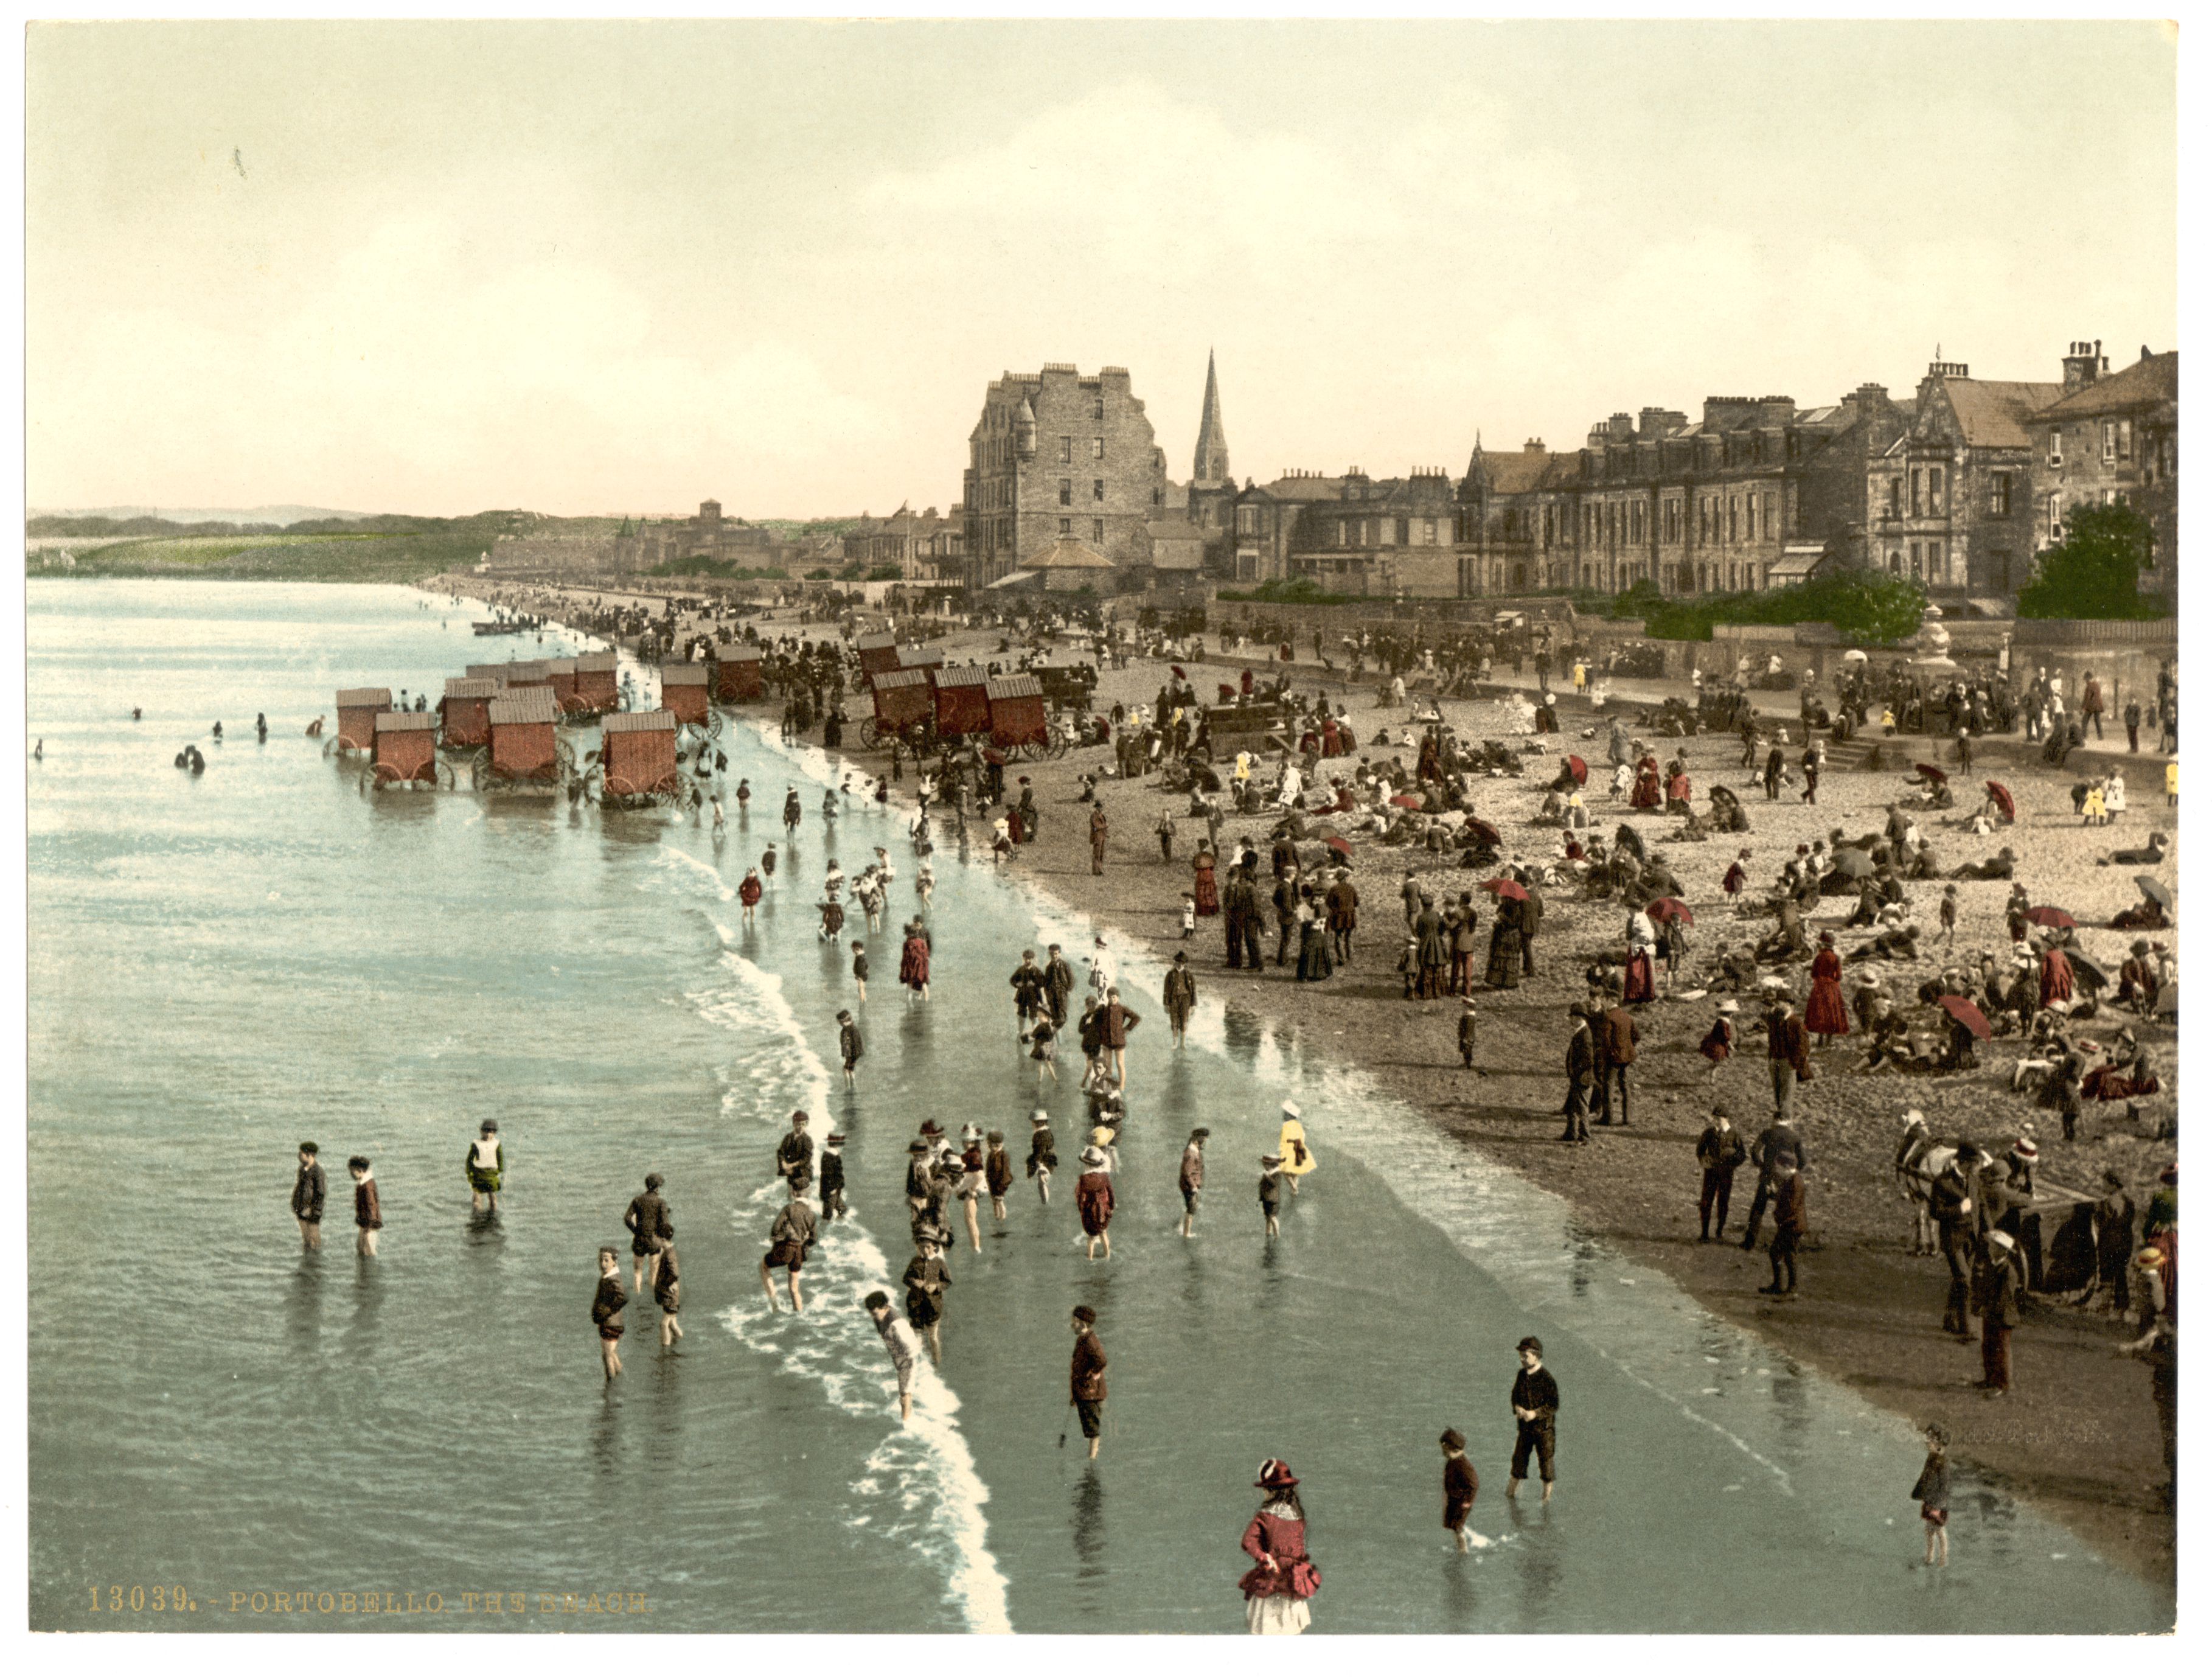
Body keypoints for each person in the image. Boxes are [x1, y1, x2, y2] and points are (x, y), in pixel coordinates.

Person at [1239, 1459, 1315, 1635]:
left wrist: (1264, 1557)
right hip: (1294, 1585)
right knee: (1290, 1631)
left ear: (1270, 1491)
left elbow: (1248, 1541)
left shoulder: (1265, 1516)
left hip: (1271, 1583)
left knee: (1268, 1631)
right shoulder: (1298, 1518)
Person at [1739, 1114, 1806, 1250]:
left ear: (1775, 1120)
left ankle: (1749, 1243)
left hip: (1768, 1177)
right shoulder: (1794, 1137)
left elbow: (1754, 1151)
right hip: (1785, 1179)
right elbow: (1803, 1160)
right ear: (1788, 1121)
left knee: (1758, 1210)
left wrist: (1762, 1165)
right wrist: (1793, 1172)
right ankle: (1787, 1244)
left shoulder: (1768, 1133)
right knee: (1788, 1211)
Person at [1506, 1337, 1558, 1503]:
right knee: (1518, 1461)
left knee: (1546, 1463)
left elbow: (1553, 1405)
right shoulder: (1521, 1375)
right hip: (1525, 1429)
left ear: (1536, 1356)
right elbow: (1514, 1396)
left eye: (1525, 1356)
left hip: (1544, 1430)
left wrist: (1535, 1414)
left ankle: (1546, 1498)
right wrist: (1517, 1408)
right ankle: (1510, 1494)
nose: (1522, 1359)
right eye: (1521, 1356)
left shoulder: (1547, 1378)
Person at [1972, 1228, 2022, 1396]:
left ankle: (2004, 1384)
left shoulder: (2009, 1272)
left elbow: (2004, 1299)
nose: (1989, 1248)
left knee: (2002, 1350)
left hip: (2003, 1317)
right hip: (1992, 1315)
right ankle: (1990, 1379)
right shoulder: (1993, 1265)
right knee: (1988, 1347)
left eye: (1992, 1246)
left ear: (2001, 1249)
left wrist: (1987, 1308)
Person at [760, 1180, 818, 1314]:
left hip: (786, 1249)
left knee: (764, 1266)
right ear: (808, 1194)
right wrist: (805, 1243)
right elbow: (814, 1239)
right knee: (794, 1288)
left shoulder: (789, 1209)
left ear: (793, 1193)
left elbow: (775, 1229)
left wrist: (778, 1240)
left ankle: (774, 1303)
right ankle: (799, 1314)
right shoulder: (811, 1214)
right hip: (799, 1252)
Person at [866, 1289, 921, 1423]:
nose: (873, 1317)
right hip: (900, 1361)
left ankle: (906, 1422)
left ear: (885, 1308)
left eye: (875, 1313)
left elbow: (912, 1348)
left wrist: (907, 1367)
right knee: (904, 1393)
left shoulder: (898, 1325)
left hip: (907, 1362)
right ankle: (906, 1415)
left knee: (905, 1394)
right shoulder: (880, 1318)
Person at [1696, 1106, 1747, 1242]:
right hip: (1711, 1173)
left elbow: (1742, 1155)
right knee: (1706, 1202)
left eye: (1719, 1119)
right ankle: (1704, 1233)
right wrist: (1704, 1161)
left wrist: (1732, 1164)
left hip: (1726, 1174)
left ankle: (1719, 1231)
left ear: (1726, 1119)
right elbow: (1700, 1150)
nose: (1716, 1121)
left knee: (1723, 1202)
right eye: (1715, 1118)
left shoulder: (1734, 1135)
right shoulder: (1709, 1133)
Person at [1761, 1157, 1807, 1296]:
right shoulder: (1790, 1180)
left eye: (1779, 1166)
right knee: (1775, 1253)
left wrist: (1778, 1216)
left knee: (1790, 1256)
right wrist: (1774, 1194)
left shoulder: (1796, 1182)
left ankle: (1792, 1289)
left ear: (1787, 1166)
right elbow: (1786, 1200)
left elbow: (1791, 1206)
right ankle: (1778, 1286)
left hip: (1792, 1225)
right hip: (1788, 1224)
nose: (1777, 1170)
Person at [903, 1235, 951, 1362]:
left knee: (933, 1338)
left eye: (928, 1247)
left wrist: (936, 1287)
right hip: (916, 1306)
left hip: (933, 1306)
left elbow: (947, 1282)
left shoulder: (939, 1263)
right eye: (922, 1247)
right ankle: (918, 1367)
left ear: (934, 1247)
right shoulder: (915, 1262)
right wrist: (915, 1282)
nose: (924, 1250)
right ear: (918, 1247)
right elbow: (906, 1279)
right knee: (917, 1338)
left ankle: (937, 1363)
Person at [1069, 1305, 1109, 1460]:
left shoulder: (1089, 1341)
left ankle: (1092, 1461)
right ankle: (1091, 1457)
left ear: (1083, 1324)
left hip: (1090, 1394)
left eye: (1075, 1321)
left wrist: (1094, 1374)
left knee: (1093, 1430)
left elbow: (1102, 1360)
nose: (1072, 1325)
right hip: (1084, 1393)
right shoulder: (1083, 1340)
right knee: (1090, 1429)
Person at [624, 1173, 671, 1297]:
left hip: (639, 1240)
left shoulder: (637, 1200)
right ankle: (652, 1297)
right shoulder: (661, 1202)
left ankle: (637, 1296)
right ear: (657, 1188)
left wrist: (636, 1231)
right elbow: (665, 1225)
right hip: (654, 1241)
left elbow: (627, 1219)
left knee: (637, 1272)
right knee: (654, 1272)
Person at [1910, 1424, 1950, 1567]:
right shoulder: (1931, 1458)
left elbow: (1945, 1487)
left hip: (1938, 1503)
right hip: (1930, 1500)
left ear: (1939, 1445)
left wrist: (1938, 1506)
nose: (1928, 1444)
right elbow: (1925, 1476)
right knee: (1929, 1529)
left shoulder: (1943, 1463)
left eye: (1931, 1442)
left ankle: (1943, 1558)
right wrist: (1919, 1492)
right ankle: (1930, 1556)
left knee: (1939, 1530)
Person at [1765, 999, 1810, 1120]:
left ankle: (1786, 1129)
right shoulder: (1777, 1020)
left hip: (1788, 1063)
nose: (1778, 1005)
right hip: (1775, 1062)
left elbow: (1804, 1046)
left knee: (1787, 1100)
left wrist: (1794, 1063)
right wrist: (1771, 1059)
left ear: (1789, 1005)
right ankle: (1782, 1125)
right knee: (1778, 1098)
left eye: (1781, 1002)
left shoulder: (1797, 1022)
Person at [1595, 999, 1638, 1126]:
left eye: (1605, 1000)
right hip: (1627, 1057)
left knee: (1608, 1086)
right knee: (1624, 1085)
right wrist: (1627, 1047)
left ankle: (1608, 1118)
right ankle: (1627, 1118)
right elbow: (1637, 1036)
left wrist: (1610, 1053)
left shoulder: (1608, 1017)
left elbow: (1606, 1040)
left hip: (1613, 1058)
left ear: (1609, 1002)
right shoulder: (1627, 1016)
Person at [1559, 1005, 1596, 1143]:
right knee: (1572, 1107)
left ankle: (1585, 1136)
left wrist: (1576, 1071)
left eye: (1572, 1018)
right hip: (1579, 1078)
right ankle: (1571, 1133)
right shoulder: (1581, 1032)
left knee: (1582, 1108)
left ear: (1579, 1018)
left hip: (1583, 1079)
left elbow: (1589, 1059)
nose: (1571, 1020)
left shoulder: (1585, 1035)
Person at [1805, 931, 1849, 1044]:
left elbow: (1813, 974)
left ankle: (1820, 1039)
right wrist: (1833, 981)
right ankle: (1829, 1040)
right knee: (1832, 1013)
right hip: (1832, 987)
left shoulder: (1819, 958)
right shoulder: (1836, 958)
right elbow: (1839, 976)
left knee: (1820, 1012)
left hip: (1819, 986)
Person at [592, 1247, 627, 1381]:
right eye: (601, 1260)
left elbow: (624, 1296)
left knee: (608, 1356)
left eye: (607, 1260)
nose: (603, 1264)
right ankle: (620, 1379)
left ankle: (611, 1386)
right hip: (608, 1322)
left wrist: (608, 1310)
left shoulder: (613, 1279)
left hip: (611, 1323)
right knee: (610, 1354)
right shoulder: (609, 1278)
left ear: (614, 1262)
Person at [1441, 1430, 1480, 1553]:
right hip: (1454, 1498)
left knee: (1457, 1527)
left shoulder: (1464, 1465)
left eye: (1445, 1450)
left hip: (1462, 1502)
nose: (1443, 1452)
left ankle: (1463, 1550)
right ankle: (1461, 1545)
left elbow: (1474, 1484)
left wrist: (1468, 1501)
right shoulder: (1453, 1461)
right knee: (1453, 1525)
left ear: (1455, 1450)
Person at [1076, 1146, 1116, 1260]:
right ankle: (1107, 1255)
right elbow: (1111, 1194)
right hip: (1103, 1212)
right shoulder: (1104, 1177)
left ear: (1087, 1164)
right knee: (1104, 1233)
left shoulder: (1084, 1179)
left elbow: (1079, 1196)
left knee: (1091, 1238)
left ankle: (1090, 1258)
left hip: (1089, 1212)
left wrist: (1081, 1209)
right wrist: (1111, 1207)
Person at [1101, 986, 1141, 1087]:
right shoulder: (1104, 1010)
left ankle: (1122, 1086)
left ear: (1118, 997)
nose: (1112, 999)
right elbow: (1098, 1023)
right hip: (1106, 1042)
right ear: (1107, 998)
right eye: (1110, 997)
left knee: (1120, 1064)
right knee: (1107, 1066)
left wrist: (1127, 1029)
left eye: (1114, 997)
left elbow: (1136, 1018)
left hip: (1119, 1041)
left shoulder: (1122, 1009)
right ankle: (1107, 1087)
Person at [291, 1142, 325, 1249]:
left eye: (302, 1154)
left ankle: (315, 1261)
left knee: (314, 1238)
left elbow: (320, 1193)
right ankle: (307, 1261)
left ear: (310, 1155)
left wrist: (312, 1209)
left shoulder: (318, 1172)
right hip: (300, 1207)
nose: (299, 1156)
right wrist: (295, 1204)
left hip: (312, 1210)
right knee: (306, 1238)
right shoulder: (302, 1169)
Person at [464, 1120, 503, 1213]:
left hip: (491, 1172)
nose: (489, 1135)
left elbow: (500, 1158)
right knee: (477, 1196)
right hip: (478, 1172)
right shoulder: (476, 1144)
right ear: (481, 1131)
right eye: (486, 1131)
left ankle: (493, 1212)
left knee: (492, 1196)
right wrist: (469, 1171)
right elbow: (470, 1159)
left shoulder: (496, 1144)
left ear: (495, 1133)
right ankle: (477, 1214)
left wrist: (499, 1170)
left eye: (492, 1132)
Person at [349, 1155, 381, 1258]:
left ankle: (370, 1273)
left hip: (369, 1225)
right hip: (365, 1223)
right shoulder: (364, 1183)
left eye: (352, 1171)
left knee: (368, 1251)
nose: (351, 1174)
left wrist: (369, 1225)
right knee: (361, 1248)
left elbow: (371, 1205)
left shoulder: (367, 1186)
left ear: (360, 1170)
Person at [775, 1109, 815, 1193]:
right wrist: (783, 1163)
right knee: (791, 1195)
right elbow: (781, 1152)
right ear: (794, 1124)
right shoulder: (788, 1138)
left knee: (802, 1197)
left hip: (803, 1173)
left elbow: (806, 1158)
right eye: (798, 1124)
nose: (800, 1127)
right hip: (791, 1173)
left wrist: (791, 1165)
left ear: (806, 1124)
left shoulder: (807, 1140)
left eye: (803, 1124)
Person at [653, 1238, 684, 1346]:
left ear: (663, 1239)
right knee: (672, 1324)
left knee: (664, 1324)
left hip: (670, 1297)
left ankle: (665, 1350)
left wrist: (667, 1283)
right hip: (671, 1296)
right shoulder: (669, 1251)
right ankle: (680, 1341)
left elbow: (675, 1273)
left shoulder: (669, 1254)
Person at [1179, 1128, 1209, 1238]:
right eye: (1205, 1139)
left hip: (1191, 1184)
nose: (1206, 1142)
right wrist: (1193, 1186)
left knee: (1190, 1206)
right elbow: (1187, 1172)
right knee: (1191, 1209)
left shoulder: (1194, 1150)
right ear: (1199, 1139)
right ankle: (1187, 1233)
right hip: (1190, 1186)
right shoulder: (1192, 1153)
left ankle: (1182, 1227)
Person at [1163, 950, 1197, 1046]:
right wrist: (1166, 1004)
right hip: (1174, 999)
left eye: (1181, 963)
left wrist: (1193, 1005)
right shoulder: (1170, 975)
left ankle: (1182, 1043)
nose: (1179, 965)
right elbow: (1166, 991)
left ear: (1184, 964)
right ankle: (1175, 1043)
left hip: (1186, 1000)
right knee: (1174, 1021)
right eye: (1178, 962)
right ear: (1175, 962)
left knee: (1184, 1021)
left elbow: (1194, 991)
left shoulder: (1189, 975)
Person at [1027, 1110, 1059, 1204]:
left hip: (1044, 1162)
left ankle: (1045, 1203)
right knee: (1042, 1183)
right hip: (1049, 1160)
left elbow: (1040, 1150)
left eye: (1033, 1122)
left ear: (1038, 1123)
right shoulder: (1048, 1132)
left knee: (1042, 1184)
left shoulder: (1039, 1135)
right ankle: (1045, 1202)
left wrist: (1039, 1163)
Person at [984, 1130, 1013, 1227]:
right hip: (992, 1183)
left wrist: (1002, 1185)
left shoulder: (1004, 1156)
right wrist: (987, 1181)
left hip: (1001, 1183)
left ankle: (1002, 1220)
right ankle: (997, 1218)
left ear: (1001, 1145)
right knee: (994, 1202)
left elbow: (1006, 1171)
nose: (993, 1148)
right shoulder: (990, 1155)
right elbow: (988, 1170)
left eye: (996, 1146)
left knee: (1000, 1202)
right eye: (991, 1146)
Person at [819, 1129, 847, 1221]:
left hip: (835, 1189)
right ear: (836, 1145)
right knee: (827, 1214)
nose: (842, 1148)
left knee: (842, 1209)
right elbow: (827, 1174)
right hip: (830, 1191)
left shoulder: (833, 1156)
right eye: (842, 1146)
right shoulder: (830, 1157)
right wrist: (832, 1188)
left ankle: (840, 1219)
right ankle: (825, 1227)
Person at [1259, 1153, 1285, 1238]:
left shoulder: (1277, 1173)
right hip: (1267, 1198)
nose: (1264, 1166)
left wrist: (1267, 1177)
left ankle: (1277, 1235)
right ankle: (1268, 1232)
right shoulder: (1270, 1172)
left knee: (1273, 1217)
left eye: (1265, 1164)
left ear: (1271, 1165)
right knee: (1267, 1217)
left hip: (1272, 1199)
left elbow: (1274, 1184)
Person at [838, 1008, 863, 1089]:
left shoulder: (852, 1030)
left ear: (844, 1021)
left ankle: (849, 1088)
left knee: (847, 1070)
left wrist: (856, 1054)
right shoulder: (845, 1030)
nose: (840, 1024)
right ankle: (852, 1087)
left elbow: (856, 1043)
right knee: (850, 1070)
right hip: (850, 1054)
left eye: (840, 1022)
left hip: (853, 1054)